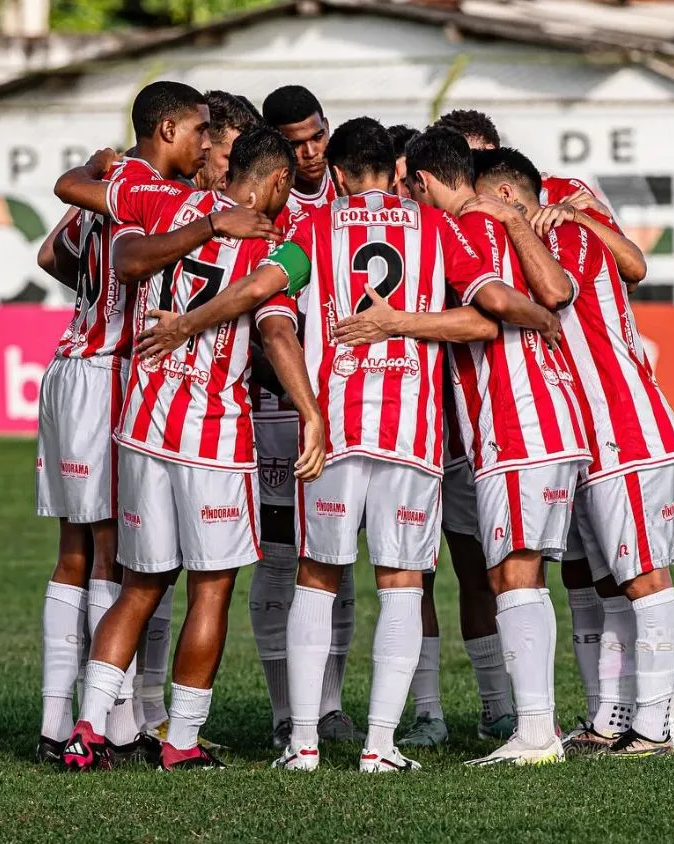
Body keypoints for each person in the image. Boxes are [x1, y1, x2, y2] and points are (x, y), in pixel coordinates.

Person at [62, 125, 326, 772]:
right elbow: (276, 329)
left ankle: (88, 728)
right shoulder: (283, 246)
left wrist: (187, 291)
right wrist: (310, 412)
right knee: (211, 590)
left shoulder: (164, 202)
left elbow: (124, 260)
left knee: (140, 586)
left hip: (143, 426)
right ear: (276, 182)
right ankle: (180, 739)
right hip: (212, 438)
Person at [261, 117, 509, 773]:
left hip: (332, 430)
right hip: (412, 435)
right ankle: (380, 746)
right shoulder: (435, 228)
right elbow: (484, 318)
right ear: (395, 172)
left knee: (316, 579)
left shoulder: (311, 230)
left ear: (338, 175)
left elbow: (269, 301)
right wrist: (408, 325)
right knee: (401, 583)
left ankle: (305, 744)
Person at [368, 126, 587, 766]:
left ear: (428, 182)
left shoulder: (457, 230)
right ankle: (531, 726)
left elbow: (493, 306)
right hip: (555, 416)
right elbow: (557, 291)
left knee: (514, 576)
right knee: (518, 575)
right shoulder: (511, 224)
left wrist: (397, 322)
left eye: (413, 187)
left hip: (515, 422)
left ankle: (536, 733)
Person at [473, 147, 674, 756]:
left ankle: (660, 723)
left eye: (484, 199)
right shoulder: (552, 226)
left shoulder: (558, 232)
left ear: (511, 197)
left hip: (624, 429)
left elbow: (564, 290)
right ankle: (616, 718)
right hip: (592, 438)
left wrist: (563, 217)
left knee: (646, 581)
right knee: (613, 586)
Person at [33, 81, 215, 766]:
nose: (204, 142)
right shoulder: (143, 189)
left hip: (68, 364)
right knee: (118, 554)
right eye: (199, 129)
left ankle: (59, 722)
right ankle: (108, 725)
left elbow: (52, 256)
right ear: (166, 129)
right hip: (107, 372)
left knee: (76, 553)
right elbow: (132, 258)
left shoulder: (108, 179)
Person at [251, 84, 360, 746]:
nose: (312, 151)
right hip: (275, 409)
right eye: (296, 144)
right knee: (278, 557)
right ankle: (282, 709)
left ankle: (329, 704)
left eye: (318, 134)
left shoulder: (355, 203)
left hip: (347, 412)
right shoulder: (269, 215)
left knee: (336, 557)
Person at [434, 108, 647, 289]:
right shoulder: (454, 211)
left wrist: (578, 217)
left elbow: (632, 276)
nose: (467, 172)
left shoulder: (564, 193)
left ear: (493, 151)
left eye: (475, 159)